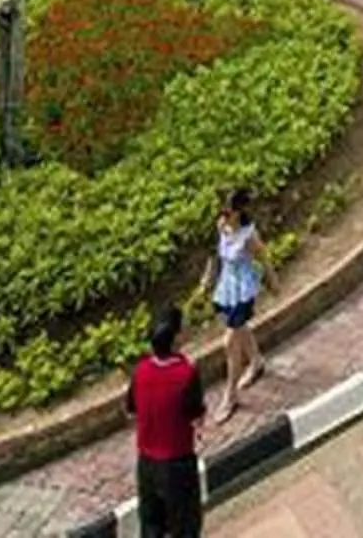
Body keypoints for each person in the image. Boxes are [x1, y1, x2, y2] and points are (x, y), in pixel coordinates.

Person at [125, 305, 207, 538]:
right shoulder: (186, 373)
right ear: (177, 337)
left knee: (151, 527)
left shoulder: (140, 371)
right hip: (177, 464)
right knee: (185, 527)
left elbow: (131, 411)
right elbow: (196, 415)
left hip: (147, 465)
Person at [201, 187, 267, 415]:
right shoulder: (222, 227)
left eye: (228, 212)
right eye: (223, 212)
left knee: (230, 341)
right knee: (239, 329)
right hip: (226, 288)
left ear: (239, 212)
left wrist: (274, 282)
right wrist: (207, 280)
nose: (224, 216)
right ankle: (256, 361)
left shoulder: (248, 235)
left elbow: (264, 257)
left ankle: (230, 395)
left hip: (243, 290)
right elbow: (215, 256)